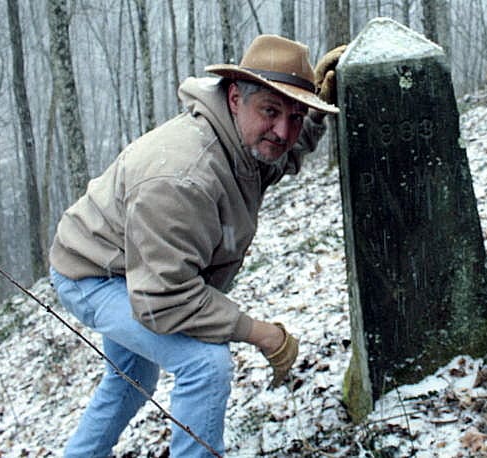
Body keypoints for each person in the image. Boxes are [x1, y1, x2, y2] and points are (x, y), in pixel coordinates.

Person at [48, 35, 345, 457]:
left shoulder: (241, 142)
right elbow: (163, 299)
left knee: (131, 380)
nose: (284, 131)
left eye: (296, 116)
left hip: (139, 268)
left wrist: (312, 115)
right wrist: (261, 335)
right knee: (204, 365)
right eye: (271, 111)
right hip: (96, 273)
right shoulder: (184, 176)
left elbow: (280, 153)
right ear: (235, 96)